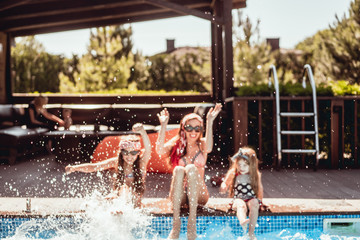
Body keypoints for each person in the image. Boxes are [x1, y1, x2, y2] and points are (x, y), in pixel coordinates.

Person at [156, 103, 222, 240]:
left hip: (199, 195)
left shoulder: (202, 144)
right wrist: (163, 125)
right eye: (189, 128)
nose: (193, 132)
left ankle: (192, 223)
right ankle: (176, 224)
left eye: (197, 129)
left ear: (201, 130)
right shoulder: (176, 144)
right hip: (179, 195)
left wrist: (210, 121)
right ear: (183, 128)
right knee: (180, 169)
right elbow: (160, 150)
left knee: (191, 168)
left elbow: (209, 147)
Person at [65, 123, 151, 208]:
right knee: (121, 190)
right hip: (119, 196)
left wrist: (142, 132)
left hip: (135, 200)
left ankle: (117, 207)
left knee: (129, 191)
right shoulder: (116, 162)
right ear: (121, 153)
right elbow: (95, 167)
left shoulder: (141, 163)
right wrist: (75, 168)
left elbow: (148, 148)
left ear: (138, 153)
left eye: (133, 153)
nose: (129, 157)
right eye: (126, 153)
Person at [220, 147, 264, 240]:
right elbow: (226, 182)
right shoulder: (234, 173)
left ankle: (251, 232)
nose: (241, 168)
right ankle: (242, 220)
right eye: (239, 165)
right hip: (238, 198)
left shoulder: (255, 175)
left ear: (251, 165)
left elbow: (260, 189)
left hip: (251, 197)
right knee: (241, 205)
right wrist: (224, 186)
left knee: (255, 204)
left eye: (245, 165)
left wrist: (260, 200)